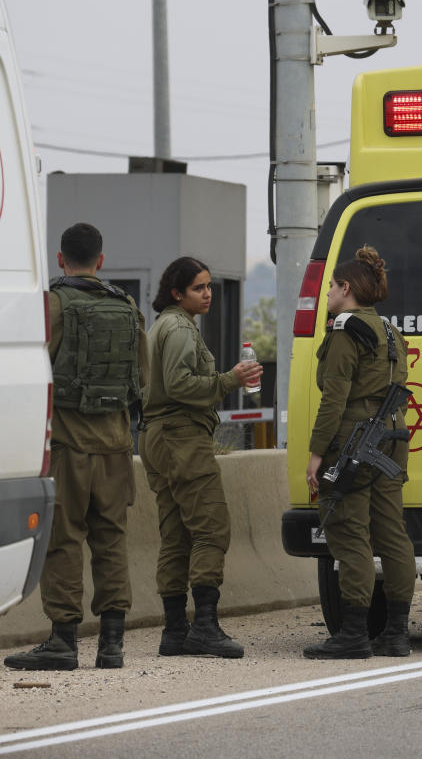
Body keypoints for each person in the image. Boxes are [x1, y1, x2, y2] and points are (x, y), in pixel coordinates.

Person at [4, 224, 147, 671]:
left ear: (61, 259)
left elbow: (33, 368)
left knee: (64, 541)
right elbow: (142, 380)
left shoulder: (52, 305)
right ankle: (112, 644)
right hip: (116, 447)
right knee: (111, 540)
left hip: (67, 446)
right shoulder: (127, 307)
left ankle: (63, 641)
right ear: (101, 261)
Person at [139, 257, 262, 658]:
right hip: (181, 436)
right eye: (199, 288)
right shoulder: (178, 329)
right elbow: (178, 385)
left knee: (176, 534)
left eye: (209, 286)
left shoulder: (164, 325)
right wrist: (231, 379)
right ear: (177, 293)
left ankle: (175, 630)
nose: (208, 294)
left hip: (159, 436)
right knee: (211, 529)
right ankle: (205, 627)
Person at [304, 246, 417, 660]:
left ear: (346, 288)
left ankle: (353, 633)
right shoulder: (389, 330)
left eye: (332, 286)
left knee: (349, 531)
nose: (329, 292)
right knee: (392, 533)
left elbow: (333, 400)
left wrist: (317, 454)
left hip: (354, 440)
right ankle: (397, 633)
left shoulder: (344, 330)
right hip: (392, 436)